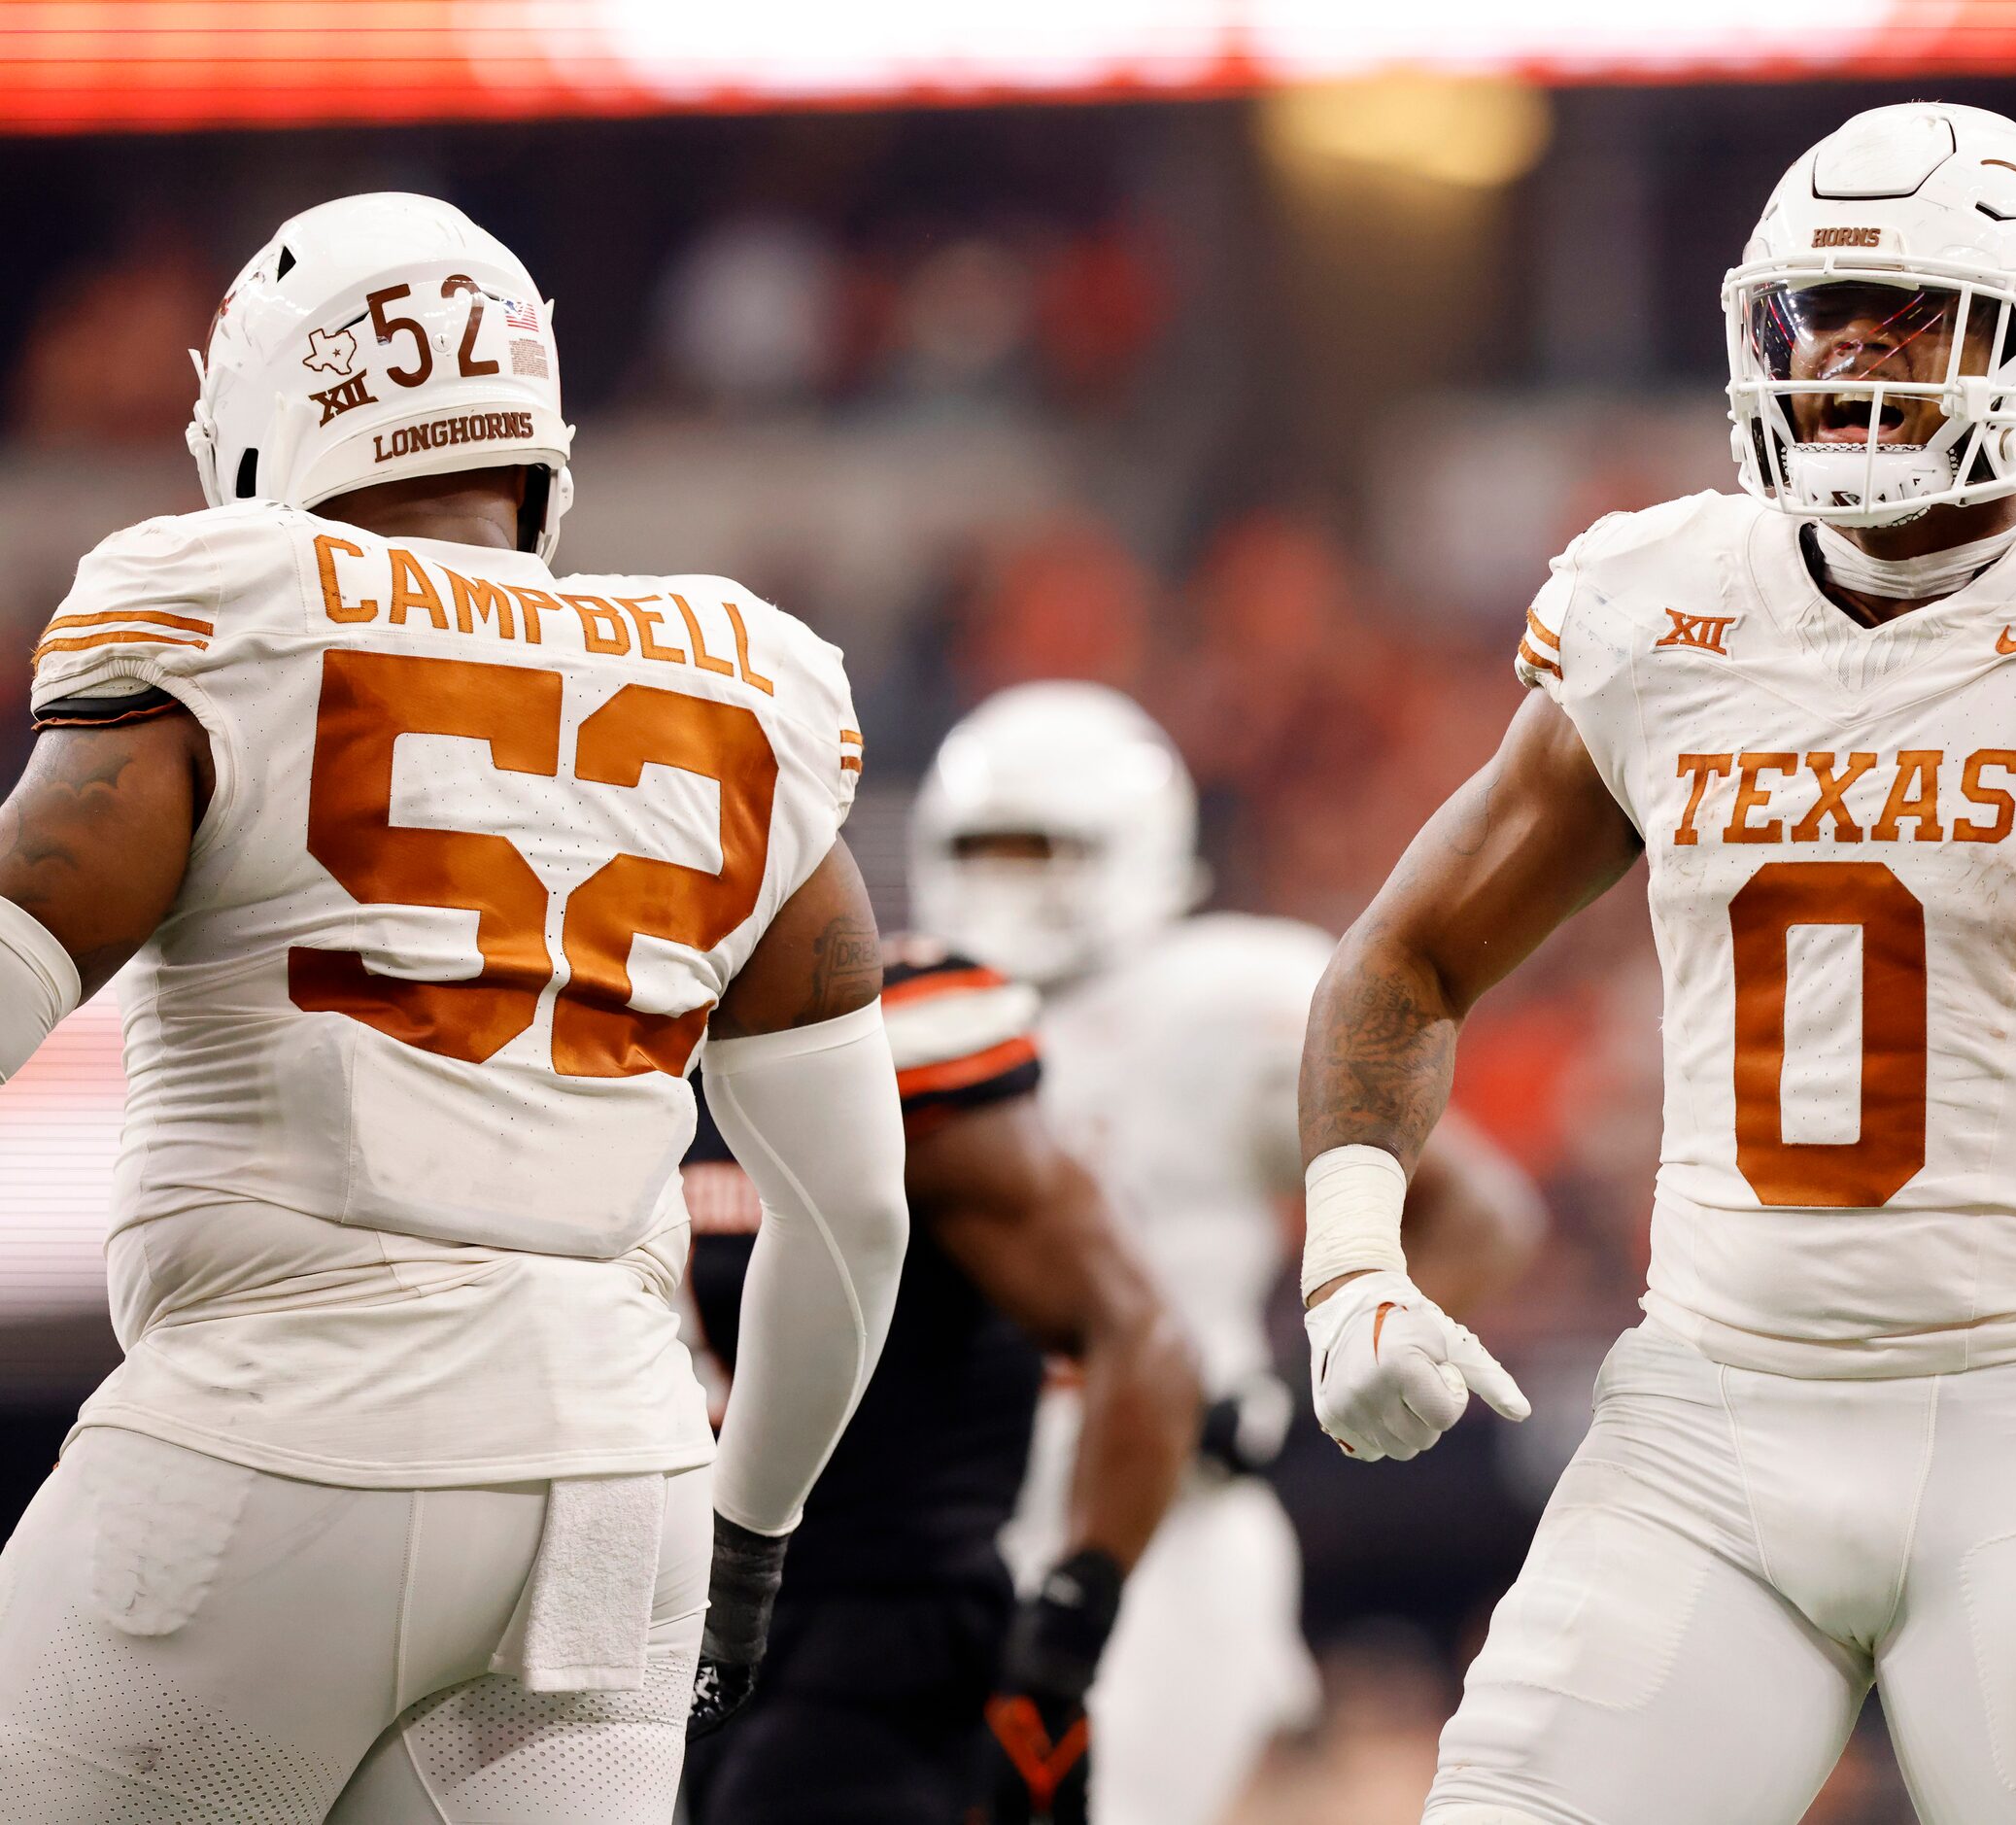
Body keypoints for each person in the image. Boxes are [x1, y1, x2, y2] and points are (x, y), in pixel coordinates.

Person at [1292, 102, 2016, 1824]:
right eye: (1818, 312)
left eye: (1914, 310)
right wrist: (1351, 1271)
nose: (1850, 354)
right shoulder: (1660, 612)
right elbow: (1396, 962)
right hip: (1697, 1422)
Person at [0, 193, 910, 1823]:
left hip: (273, 1436)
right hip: (613, 1488)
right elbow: (852, 1216)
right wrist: (749, 1532)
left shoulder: (231, 605)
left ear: (271, 422)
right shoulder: (738, 681)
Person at [910, 681, 1545, 1825]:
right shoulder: (904, 1008)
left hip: (1166, 1533)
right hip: (940, 1525)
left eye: (1044, 851)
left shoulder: (1226, 996)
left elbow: (1481, 1211)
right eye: (987, 851)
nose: (1013, 883)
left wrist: (1305, 1391)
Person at [680, 934, 1203, 1825]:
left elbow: (1139, 1332)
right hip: (667, 1617)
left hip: (879, 1629)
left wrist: (1064, 1644)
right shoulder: (594, 1013)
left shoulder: (885, 1026)